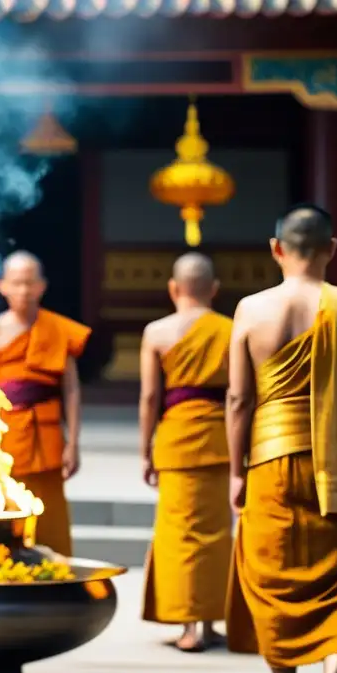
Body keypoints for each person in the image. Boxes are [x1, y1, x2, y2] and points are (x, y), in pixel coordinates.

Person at [225, 204, 337, 673]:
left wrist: (236, 473)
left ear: (276, 249)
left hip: (269, 460)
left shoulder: (250, 309)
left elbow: (240, 399)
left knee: (272, 582)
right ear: (332, 249)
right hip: (336, 464)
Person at [139, 253, 233, 652]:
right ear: (213, 289)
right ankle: (208, 624)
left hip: (176, 441)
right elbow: (241, 395)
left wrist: (146, 450)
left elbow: (149, 397)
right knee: (214, 535)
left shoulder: (157, 332)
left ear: (174, 289)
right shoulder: (232, 329)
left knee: (179, 535)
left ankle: (188, 625)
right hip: (219, 440)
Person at [0, 251, 90, 557]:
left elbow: (72, 390)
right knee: (6, 504)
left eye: (30, 283)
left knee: (50, 510)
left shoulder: (59, 329)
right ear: (3, 286)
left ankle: (55, 570)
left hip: (47, 431)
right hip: (6, 434)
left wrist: (74, 442)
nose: (24, 291)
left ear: (42, 286)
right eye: (17, 283)